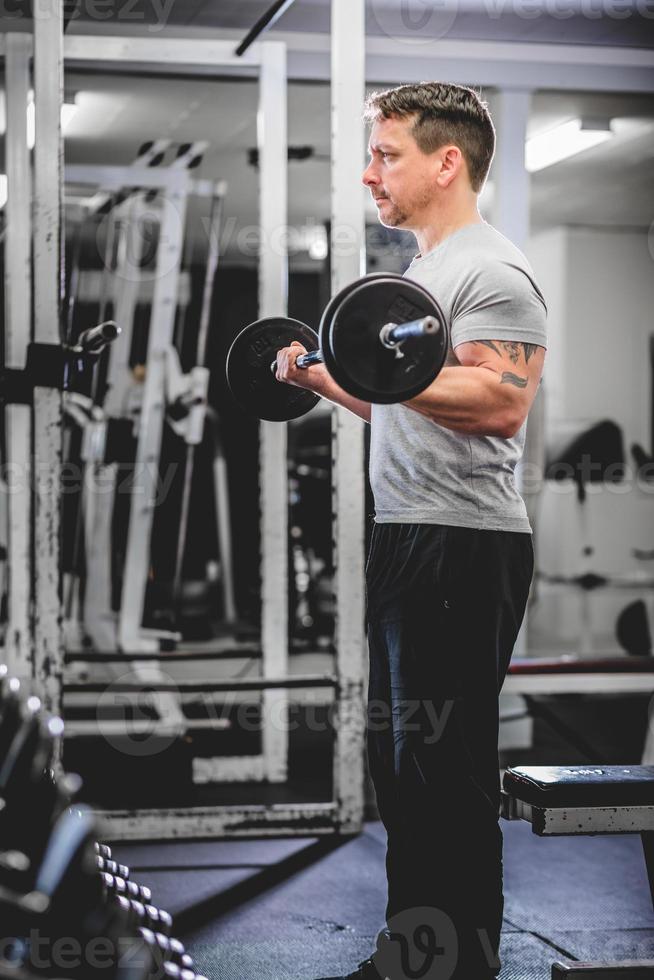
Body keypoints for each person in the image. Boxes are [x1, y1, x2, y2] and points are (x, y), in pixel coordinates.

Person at [275, 82, 547, 980]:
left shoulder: (489, 269)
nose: (368, 173)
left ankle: (457, 963)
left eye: (386, 154)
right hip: (407, 537)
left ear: (446, 161)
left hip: (461, 543)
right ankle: (415, 947)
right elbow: (403, 399)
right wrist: (323, 378)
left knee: (443, 768)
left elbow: (500, 402)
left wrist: (374, 369)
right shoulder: (422, 277)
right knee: (403, 767)